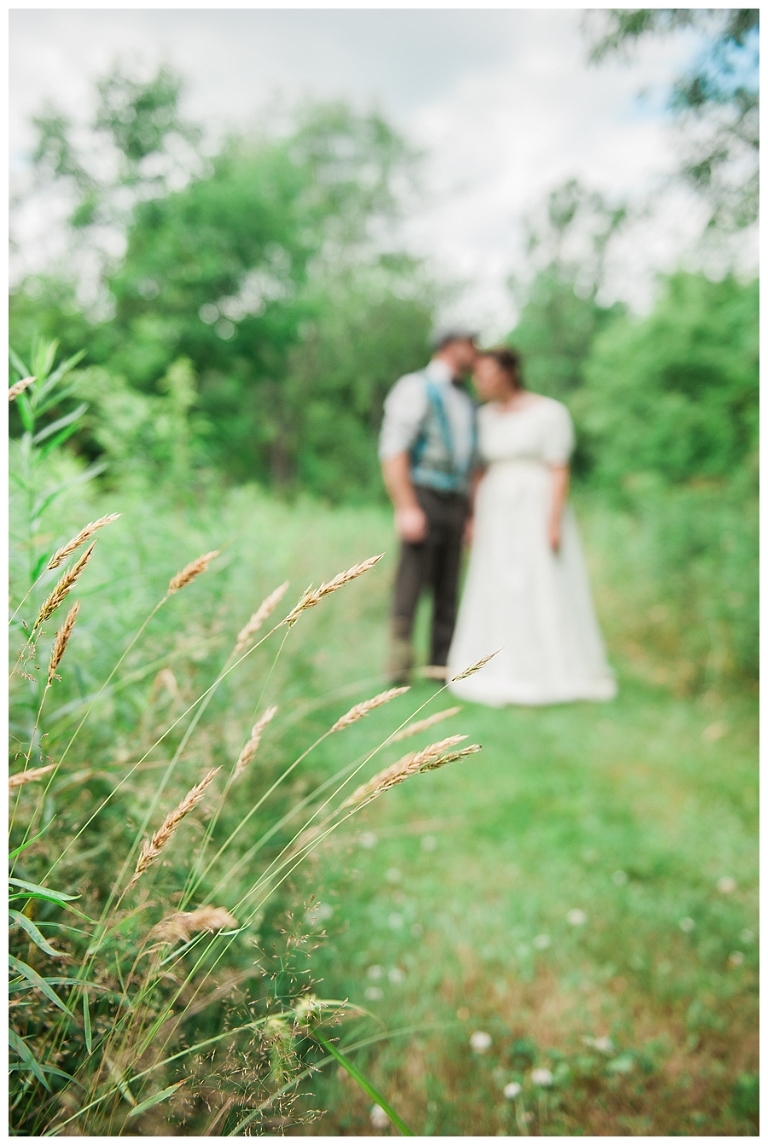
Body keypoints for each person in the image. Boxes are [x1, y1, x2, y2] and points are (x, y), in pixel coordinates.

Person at [447, 347, 617, 706]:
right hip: (496, 511)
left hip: (534, 506)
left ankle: (552, 666)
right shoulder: (485, 417)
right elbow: (479, 471)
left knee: (539, 580)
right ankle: (496, 662)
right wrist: (473, 517)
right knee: (497, 583)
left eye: (487, 374)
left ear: (509, 373)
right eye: (477, 375)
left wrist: (552, 522)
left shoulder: (550, 412)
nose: (480, 382)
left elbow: (558, 468)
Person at [379, 330, 479, 684]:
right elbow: (393, 449)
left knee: (449, 588)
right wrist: (407, 506)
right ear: (453, 346)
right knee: (410, 585)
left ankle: (441, 667)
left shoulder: (466, 398)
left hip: (457, 501)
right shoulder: (415, 387)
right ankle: (398, 669)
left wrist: (469, 513)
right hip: (424, 495)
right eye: (472, 345)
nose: (476, 352)